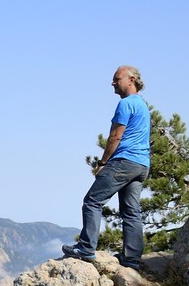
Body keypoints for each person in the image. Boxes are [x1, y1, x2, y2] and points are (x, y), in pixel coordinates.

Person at [63, 65, 151, 269]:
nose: (112, 83)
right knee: (131, 211)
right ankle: (131, 259)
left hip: (124, 161)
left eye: (116, 79)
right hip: (141, 164)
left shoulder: (126, 104)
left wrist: (103, 163)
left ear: (131, 80)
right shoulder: (143, 105)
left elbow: (115, 135)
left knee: (92, 201)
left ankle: (86, 247)